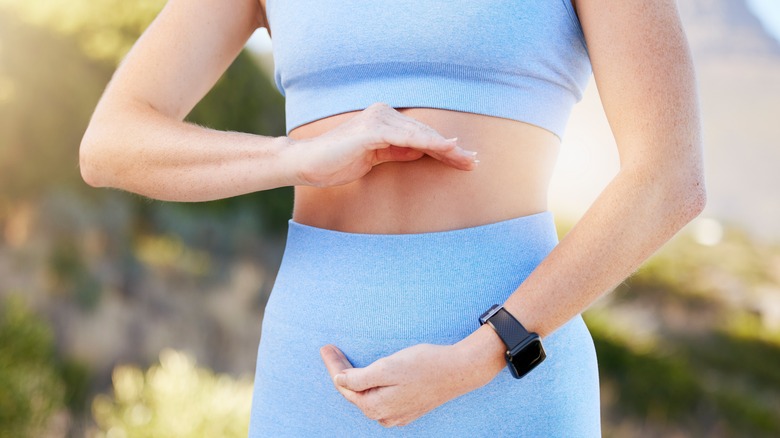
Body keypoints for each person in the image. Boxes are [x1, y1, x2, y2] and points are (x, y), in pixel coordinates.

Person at [79, 0, 705, 435]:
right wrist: (295, 156)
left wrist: (481, 355)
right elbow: (111, 144)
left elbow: (669, 178)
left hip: (510, 383)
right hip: (314, 384)